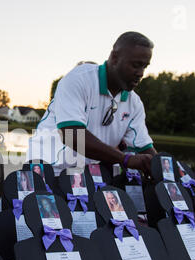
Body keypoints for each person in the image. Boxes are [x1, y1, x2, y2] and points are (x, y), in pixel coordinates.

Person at [26, 31, 157, 177]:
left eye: (144, 66)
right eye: (136, 65)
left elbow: (143, 147)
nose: (141, 73)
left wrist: (166, 169)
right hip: (49, 168)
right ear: (114, 58)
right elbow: (72, 135)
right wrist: (125, 159)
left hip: (86, 175)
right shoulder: (78, 79)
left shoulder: (135, 103)